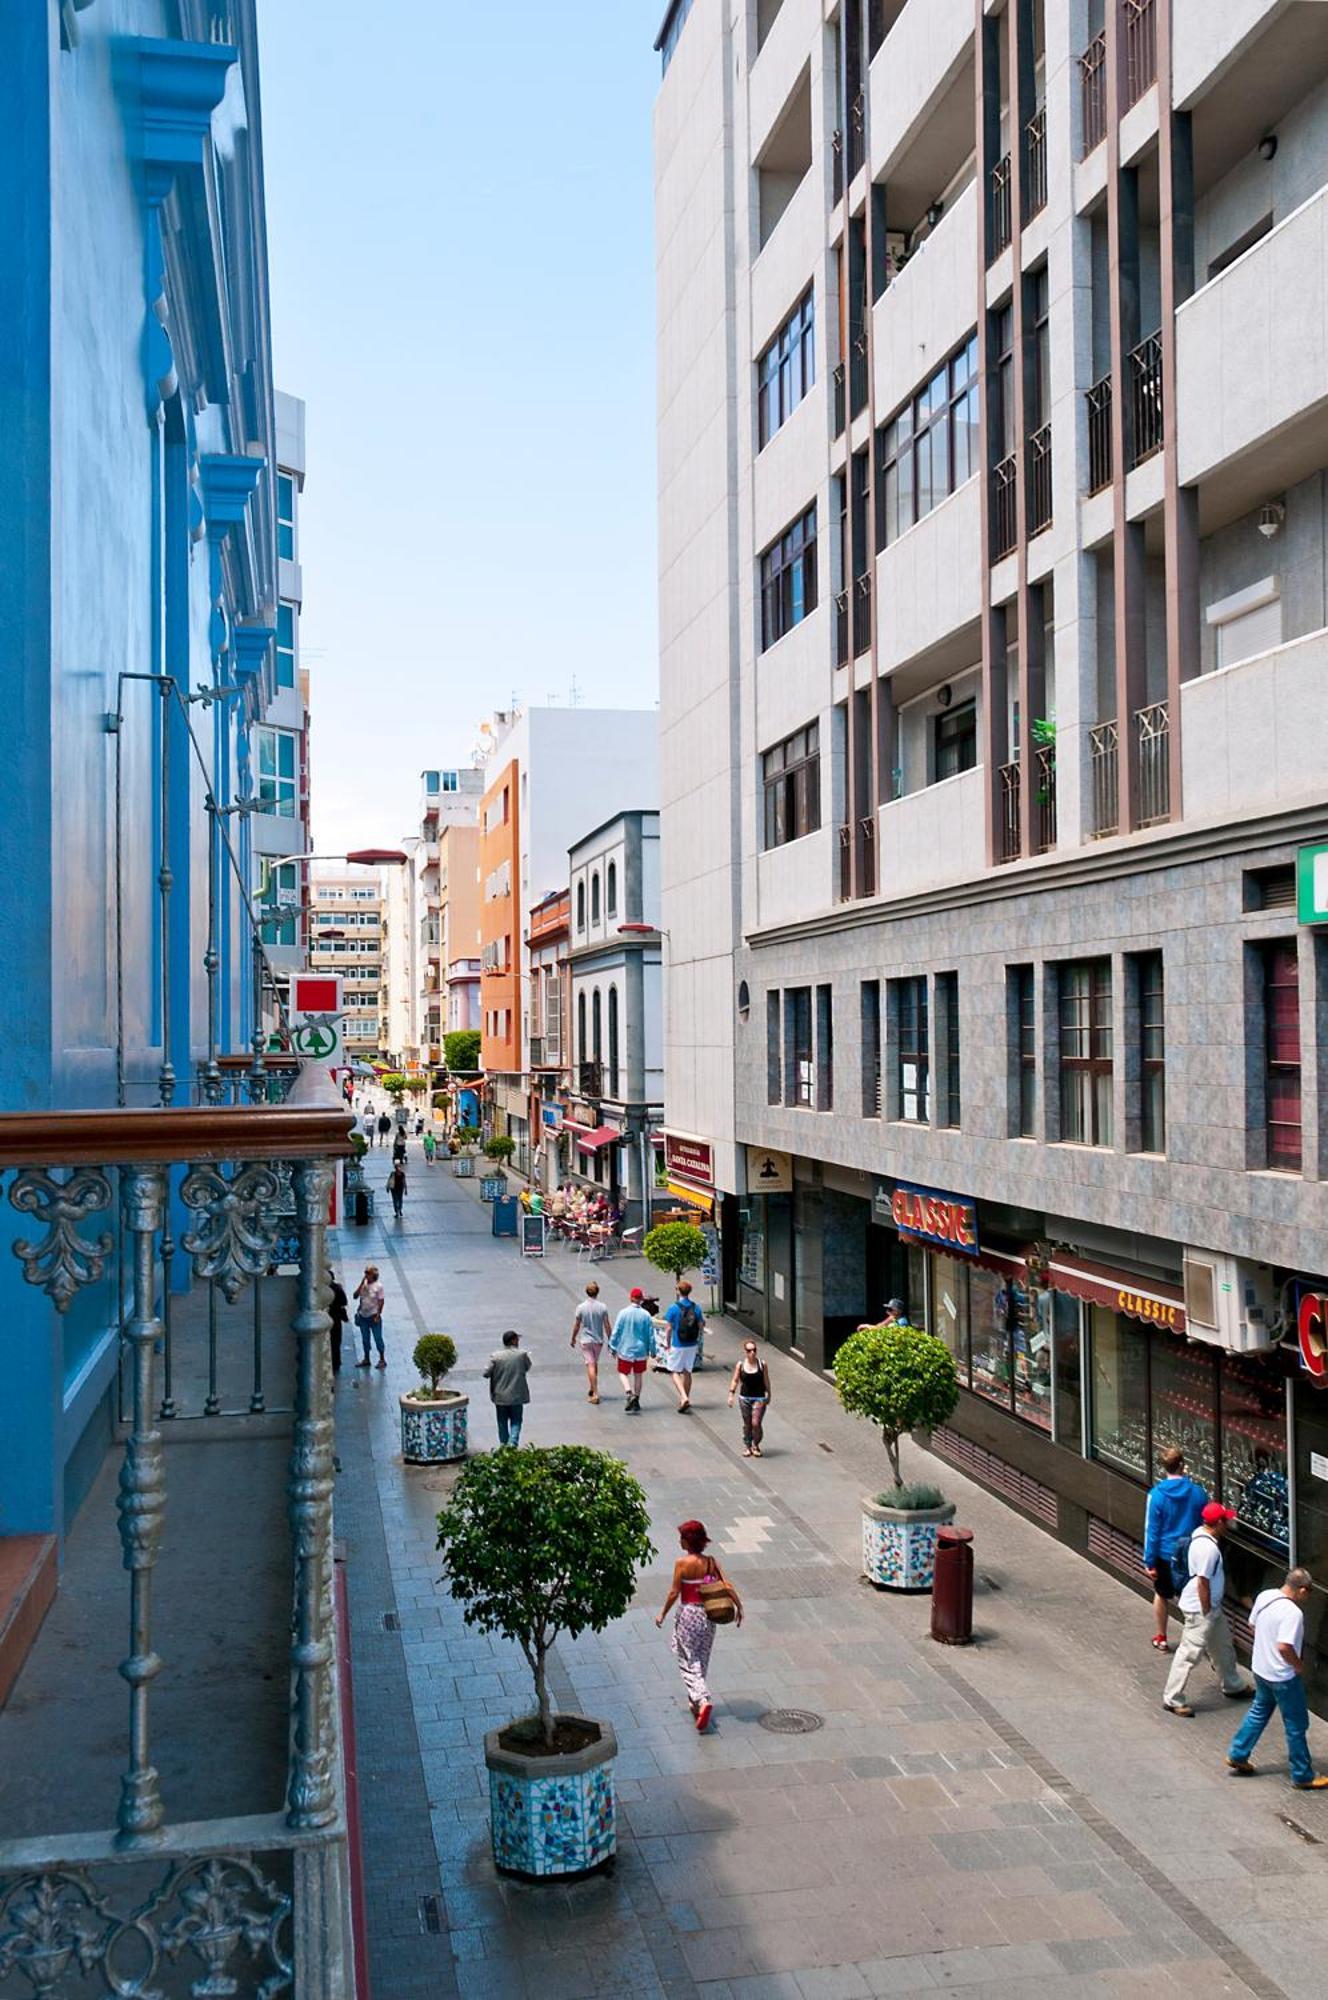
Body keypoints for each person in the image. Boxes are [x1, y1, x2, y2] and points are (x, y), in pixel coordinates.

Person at [1227, 1568, 1328, 1789]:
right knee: (1296, 1723)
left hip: (1261, 1669)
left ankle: (1238, 1753)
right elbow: (1284, 1646)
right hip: (1282, 1677)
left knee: (1259, 1711)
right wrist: (1298, 1665)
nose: (1307, 1597)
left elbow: (1252, 1624)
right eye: (1308, 1592)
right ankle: (1302, 1774)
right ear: (1301, 1589)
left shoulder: (1265, 1596)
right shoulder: (1292, 1613)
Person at [1162, 1502, 1253, 1715]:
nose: (1228, 1524)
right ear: (1218, 1522)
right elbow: (1203, 1582)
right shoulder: (1208, 1549)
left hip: (1210, 1607)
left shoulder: (1200, 1535)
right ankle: (1172, 1698)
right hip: (1202, 1609)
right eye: (1225, 1520)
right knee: (1189, 1653)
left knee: (1222, 1646)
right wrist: (1207, 1609)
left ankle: (1232, 1684)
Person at [654, 1519, 742, 1733]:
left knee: (687, 1659)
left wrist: (662, 1613)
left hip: (688, 1615)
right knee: (702, 1657)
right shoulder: (711, 1562)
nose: (679, 1541)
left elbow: (674, 1592)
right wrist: (739, 1607)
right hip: (708, 1616)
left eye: (681, 1538)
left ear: (688, 1541)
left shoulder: (682, 1564)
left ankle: (702, 1700)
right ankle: (695, 1703)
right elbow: (727, 1585)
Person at [1143, 1446, 1209, 1651]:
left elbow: (1151, 1531)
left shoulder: (1157, 1495)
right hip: (1191, 1553)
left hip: (1165, 1553)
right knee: (1195, 1597)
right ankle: (1200, 1640)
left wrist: (1149, 1561)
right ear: (1183, 1466)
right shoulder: (1198, 1493)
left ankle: (1162, 1637)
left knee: (1162, 1594)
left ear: (1165, 1468)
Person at [609, 1287, 656, 1412]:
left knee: (623, 1372)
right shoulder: (646, 1315)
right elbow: (650, 1335)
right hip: (641, 1351)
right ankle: (637, 1399)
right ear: (641, 1299)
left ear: (630, 1298)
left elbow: (617, 1331)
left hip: (625, 1349)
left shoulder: (623, 1313)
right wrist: (653, 1350)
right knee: (638, 1375)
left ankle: (629, 1393)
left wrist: (612, 1346)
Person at [483, 1330, 531, 1447]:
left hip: (500, 1396)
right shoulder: (522, 1355)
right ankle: (513, 1443)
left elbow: (486, 1373)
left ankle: (504, 1444)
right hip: (517, 1395)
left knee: (502, 1421)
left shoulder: (496, 1356)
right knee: (516, 1420)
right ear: (513, 1340)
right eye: (517, 1339)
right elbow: (527, 1367)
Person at [663, 1279, 704, 1413]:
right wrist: (698, 1339)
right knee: (687, 1372)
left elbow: (668, 1328)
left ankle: (684, 1396)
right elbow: (701, 1325)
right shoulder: (696, 1307)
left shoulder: (673, 1308)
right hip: (692, 1344)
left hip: (678, 1344)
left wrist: (667, 1344)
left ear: (678, 1291)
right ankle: (684, 1398)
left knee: (674, 1371)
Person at [728, 1340, 772, 1456]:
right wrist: (731, 1394)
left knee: (756, 1423)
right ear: (745, 1352)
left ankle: (756, 1445)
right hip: (744, 1398)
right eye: (749, 1350)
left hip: (759, 1398)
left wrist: (769, 1394)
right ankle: (748, 1446)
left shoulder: (762, 1364)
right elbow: (735, 1380)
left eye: (754, 1350)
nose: (752, 1353)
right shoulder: (740, 1365)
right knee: (747, 1424)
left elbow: (766, 1380)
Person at [570, 1280, 611, 1402]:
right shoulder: (602, 1307)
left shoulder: (581, 1307)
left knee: (590, 1365)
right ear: (597, 1292)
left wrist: (573, 1338)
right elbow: (607, 1325)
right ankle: (592, 1387)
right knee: (594, 1363)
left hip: (586, 1340)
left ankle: (595, 1394)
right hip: (598, 1340)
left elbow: (577, 1325)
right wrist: (611, 1339)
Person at [353, 1265, 386, 1368]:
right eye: (365, 1273)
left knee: (378, 1338)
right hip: (363, 1316)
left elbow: (381, 1301)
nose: (366, 1275)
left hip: (373, 1316)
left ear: (373, 1275)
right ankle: (366, 1358)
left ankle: (382, 1358)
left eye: (368, 1273)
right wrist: (361, 1284)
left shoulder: (378, 1286)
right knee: (365, 1339)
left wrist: (378, 1314)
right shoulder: (364, 1285)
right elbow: (355, 1296)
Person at [326, 1267, 348, 1378]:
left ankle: (330, 1361)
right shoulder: (337, 1288)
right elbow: (344, 1301)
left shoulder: (323, 1289)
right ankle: (336, 1362)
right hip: (336, 1317)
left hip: (327, 1315)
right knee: (336, 1340)